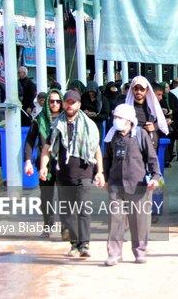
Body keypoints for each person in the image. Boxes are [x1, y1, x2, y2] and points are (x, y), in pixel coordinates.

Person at [39, 90, 105, 258]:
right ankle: (74, 244)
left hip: (84, 172)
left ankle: (85, 244)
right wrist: (43, 167)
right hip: (63, 175)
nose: (69, 105)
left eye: (73, 102)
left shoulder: (89, 125)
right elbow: (47, 148)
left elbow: (96, 148)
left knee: (83, 209)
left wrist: (100, 172)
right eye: (67, 102)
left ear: (79, 104)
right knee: (68, 213)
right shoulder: (57, 125)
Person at [102, 104, 161, 266]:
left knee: (139, 222)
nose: (116, 121)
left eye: (119, 118)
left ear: (129, 121)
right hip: (116, 185)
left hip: (138, 185)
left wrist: (155, 177)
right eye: (115, 117)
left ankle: (140, 251)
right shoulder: (111, 135)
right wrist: (104, 177)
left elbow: (152, 158)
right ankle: (114, 253)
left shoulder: (140, 135)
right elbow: (106, 158)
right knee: (115, 220)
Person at [24, 89, 65, 239]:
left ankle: (66, 228)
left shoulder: (66, 118)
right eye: (52, 101)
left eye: (58, 101)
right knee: (46, 197)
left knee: (65, 196)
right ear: (47, 102)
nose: (55, 104)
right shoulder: (39, 120)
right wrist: (28, 161)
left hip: (63, 164)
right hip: (45, 165)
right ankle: (48, 225)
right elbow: (29, 141)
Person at [124, 76, 169, 152]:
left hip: (150, 144)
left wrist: (153, 127)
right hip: (131, 145)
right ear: (132, 89)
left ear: (147, 90)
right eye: (136, 88)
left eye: (142, 89)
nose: (139, 91)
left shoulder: (152, 106)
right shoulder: (124, 106)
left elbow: (161, 122)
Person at [153, 82, 178, 166]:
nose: (168, 89)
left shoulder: (172, 96)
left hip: (171, 124)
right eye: (166, 87)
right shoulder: (154, 100)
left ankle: (168, 159)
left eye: (168, 87)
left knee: (170, 143)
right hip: (160, 128)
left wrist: (172, 112)